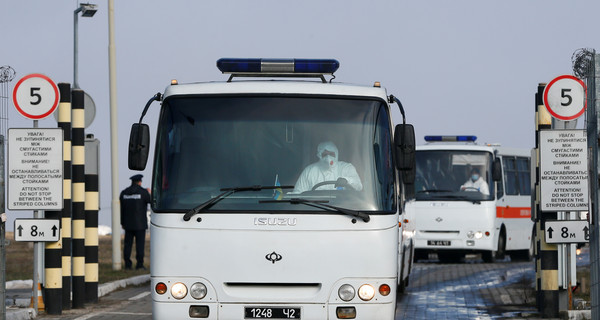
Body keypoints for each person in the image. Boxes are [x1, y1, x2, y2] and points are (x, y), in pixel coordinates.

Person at [293, 141, 363, 193]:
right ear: (320, 155)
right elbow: (298, 193)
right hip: (315, 208)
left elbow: (358, 186)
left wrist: (347, 180)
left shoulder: (346, 168)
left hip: (343, 208)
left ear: (336, 154)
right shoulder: (310, 171)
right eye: (325, 154)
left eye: (331, 154)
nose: (328, 157)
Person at [120, 174, 151, 270]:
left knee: (127, 245)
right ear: (140, 182)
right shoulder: (143, 192)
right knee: (140, 245)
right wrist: (149, 193)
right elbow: (152, 201)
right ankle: (139, 264)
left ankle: (127, 265)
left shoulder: (124, 193)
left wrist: (122, 223)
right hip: (140, 224)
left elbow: (122, 208)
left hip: (127, 224)